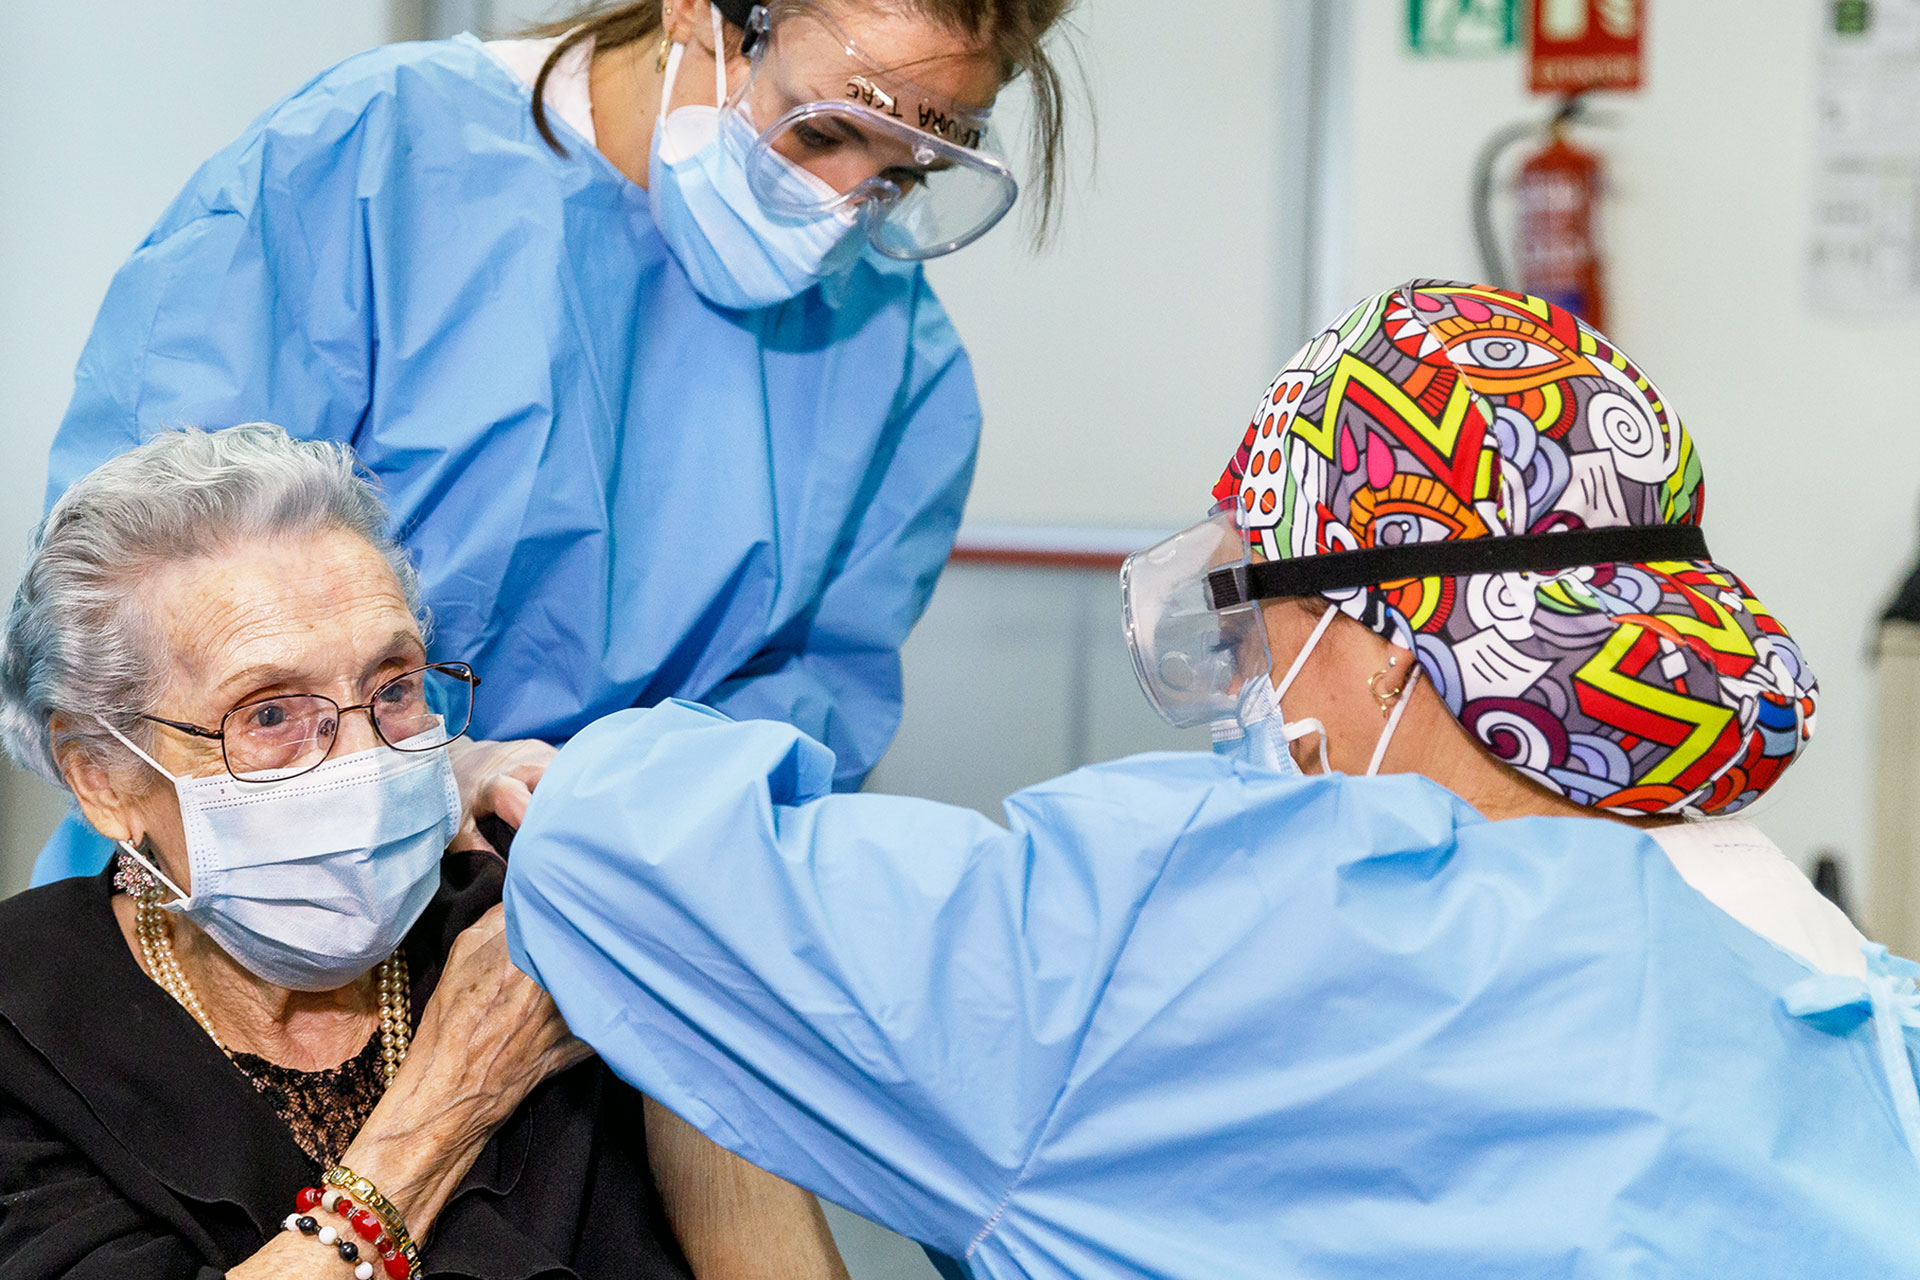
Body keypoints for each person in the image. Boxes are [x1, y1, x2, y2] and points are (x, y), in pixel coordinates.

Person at [501, 281, 1920, 1278]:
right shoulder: (1860, 1013)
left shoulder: (1254, 934)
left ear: (1384, 647)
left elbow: (658, 871)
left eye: (1256, 620)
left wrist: (546, 764)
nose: (1247, 686)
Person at [35, 0, 1078, 882]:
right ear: (697, 14)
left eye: (906, 174)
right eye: (821, 132)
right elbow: (126, 606)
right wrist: (403, 771)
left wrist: (598, 811)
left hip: (587, 920)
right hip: (231, 896)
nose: (845, 206)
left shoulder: (897, 358)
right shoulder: (372, 161)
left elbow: (808, 701)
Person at [0, 425, 849, 1279]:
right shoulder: (23, 1025)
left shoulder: (550, 936)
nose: (366, 763)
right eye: (267, 714)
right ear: (101, 776)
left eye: (394, 688)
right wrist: (449, 1100)